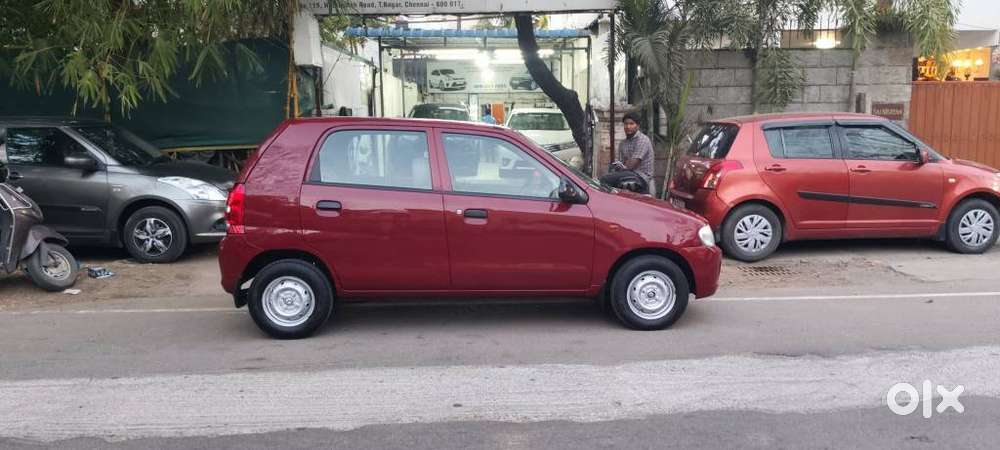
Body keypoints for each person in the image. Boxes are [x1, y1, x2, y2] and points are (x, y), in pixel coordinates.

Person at [600, 111, 655, 194]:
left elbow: (632, 165)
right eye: (626, 124)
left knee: (605, 179)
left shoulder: (643, 140)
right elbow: (619, 163)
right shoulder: (623, 143)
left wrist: (623, 165)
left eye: (631, 124)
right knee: (610, 170)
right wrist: (620, 166)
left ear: (637, 125)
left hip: (641, 177)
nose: (628, 126)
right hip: (628, 173)